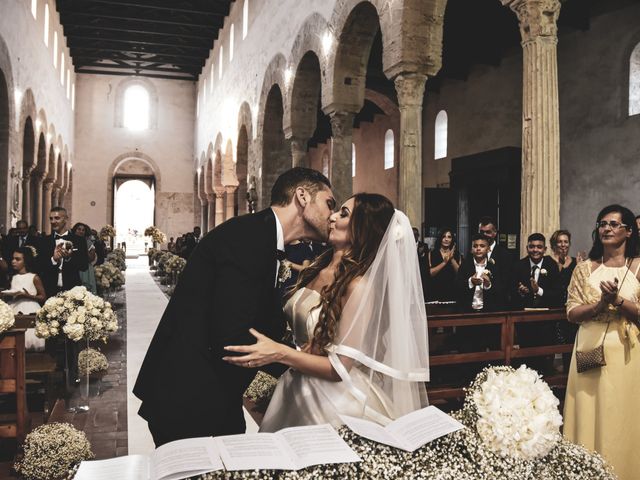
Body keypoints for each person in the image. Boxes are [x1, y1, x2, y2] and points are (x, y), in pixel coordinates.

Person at [134, 167, 335, 446]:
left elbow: (254, 317)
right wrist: (300, 364)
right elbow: (232, 336)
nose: (332, 215)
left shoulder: (261, 236)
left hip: (211, 392)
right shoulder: (249, 239)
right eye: (329, 203)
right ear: (302, 196)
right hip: (188, 397)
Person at [223, 194, 429, 431]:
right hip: (297, 382)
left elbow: (339, 368)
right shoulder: (317, 268)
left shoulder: (358, 286)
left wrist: (280, 353)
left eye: (343, 213)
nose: (331, 217)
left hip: (331, 400)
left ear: (364, 228)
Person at [563, 204, 640, 480]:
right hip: (589, 348)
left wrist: (618, 301)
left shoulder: (639, 266)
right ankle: (585, 472)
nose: (606, 228)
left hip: (626, 353)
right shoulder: (584, 269)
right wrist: (598, 305)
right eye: (602, 224)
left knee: (621, 412)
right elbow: (571, 312)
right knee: (588, 410)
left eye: (613, 224)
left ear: (629, 231)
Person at [0, 247, 46, 350]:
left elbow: (43, 297)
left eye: (18, 259)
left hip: (29, 308)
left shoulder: (34, 277)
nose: (13, 261)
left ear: (25, 261)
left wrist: (27, 295)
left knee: (28, 337)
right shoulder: (13, 277)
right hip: (15, 307)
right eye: (13, 258)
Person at [39, 207, 89, 298]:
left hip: (72, 288)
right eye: (51, 218)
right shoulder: (43, 241)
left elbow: (84, 266)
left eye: (57, 218)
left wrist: (69, 258)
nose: (53, 221)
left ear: (66, 219)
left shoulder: (79, 240)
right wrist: (53, 259)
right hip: (50, 289)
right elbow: (39, 266)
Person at [511, 233, 561, 310]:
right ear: (527, 248)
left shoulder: (552, 266)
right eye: (531, 247)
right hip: (523, 313)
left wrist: (538, 290)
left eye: (539, 247)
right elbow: (511, 293)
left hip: (546, 313)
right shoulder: (518, 266)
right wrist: (520, 292)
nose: (535, 250)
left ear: (545, 249)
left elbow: (557, 293)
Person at [428, 227, 461, 301]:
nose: (446, 239)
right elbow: (431, 273)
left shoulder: (457, 254)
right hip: (435, 290)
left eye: (449, 237)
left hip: (452, 291)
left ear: (452, 239)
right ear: (440, 238)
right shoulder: (432, 253)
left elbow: (460, 274)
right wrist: (444, 262)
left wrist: (452, 259)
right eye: (443, 236)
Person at [71, 223, 98, 294]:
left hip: (86, 270)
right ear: (75, 230)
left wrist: (82, 248)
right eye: (79, 229)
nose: (81, 231)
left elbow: (91, 258)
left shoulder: (89, 243)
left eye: (83, 230)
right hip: (73, 268)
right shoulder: (70, 241)